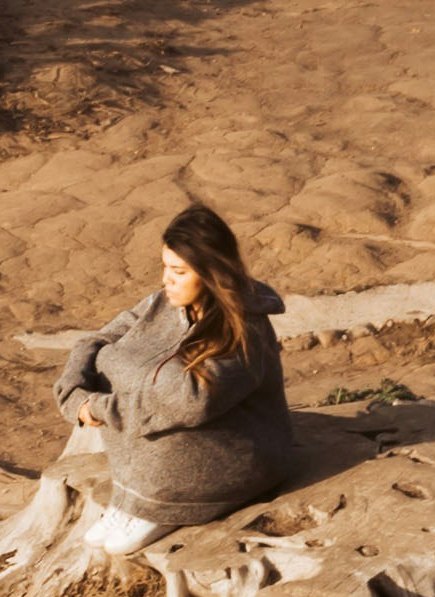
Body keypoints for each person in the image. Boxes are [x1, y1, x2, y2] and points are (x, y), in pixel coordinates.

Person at [55, 199, 298, 531]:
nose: (166, 280)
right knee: (115, 362)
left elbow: (191, 401)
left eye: (179, 271)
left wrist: (96, 407)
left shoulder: (244, 331)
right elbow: (96, 341)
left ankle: (158, 506)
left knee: (135, 376)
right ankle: (136, 499)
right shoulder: (162, 302)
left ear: (213, 272)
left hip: (236, 463)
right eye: (165, 267)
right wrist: (73, 392)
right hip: (153, 467)